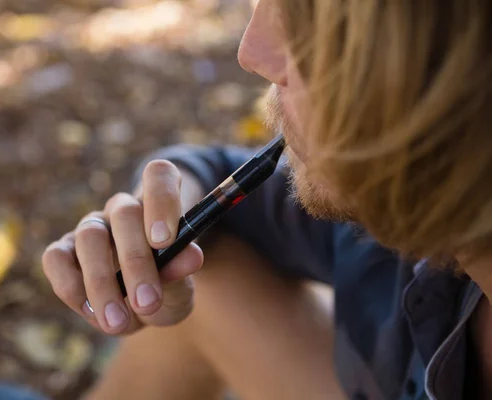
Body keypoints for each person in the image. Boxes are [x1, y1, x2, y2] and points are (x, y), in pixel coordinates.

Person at [39, 1, 492, 399]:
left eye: (318, 17)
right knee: (205, 266)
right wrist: (161, 208)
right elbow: (216, 179)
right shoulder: (404, 195)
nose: (251, 53)